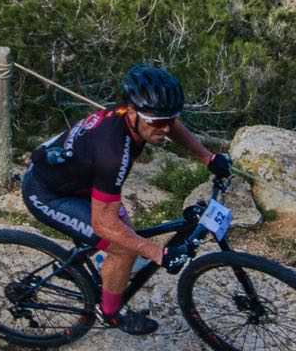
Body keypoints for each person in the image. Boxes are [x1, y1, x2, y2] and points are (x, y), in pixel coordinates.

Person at [21, 63, 231, 335]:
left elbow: (169, 124)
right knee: (124, 246)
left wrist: (208, 157)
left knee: (125, 236)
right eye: (157, 122)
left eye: (170, 119)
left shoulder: (137, 116)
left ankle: (97, 265)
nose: (165, 129)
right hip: (48, 194)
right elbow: (104, 223)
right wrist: (160, 254)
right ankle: (111, 313)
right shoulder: (112, 151)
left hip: (78, 178)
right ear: (132, 113)